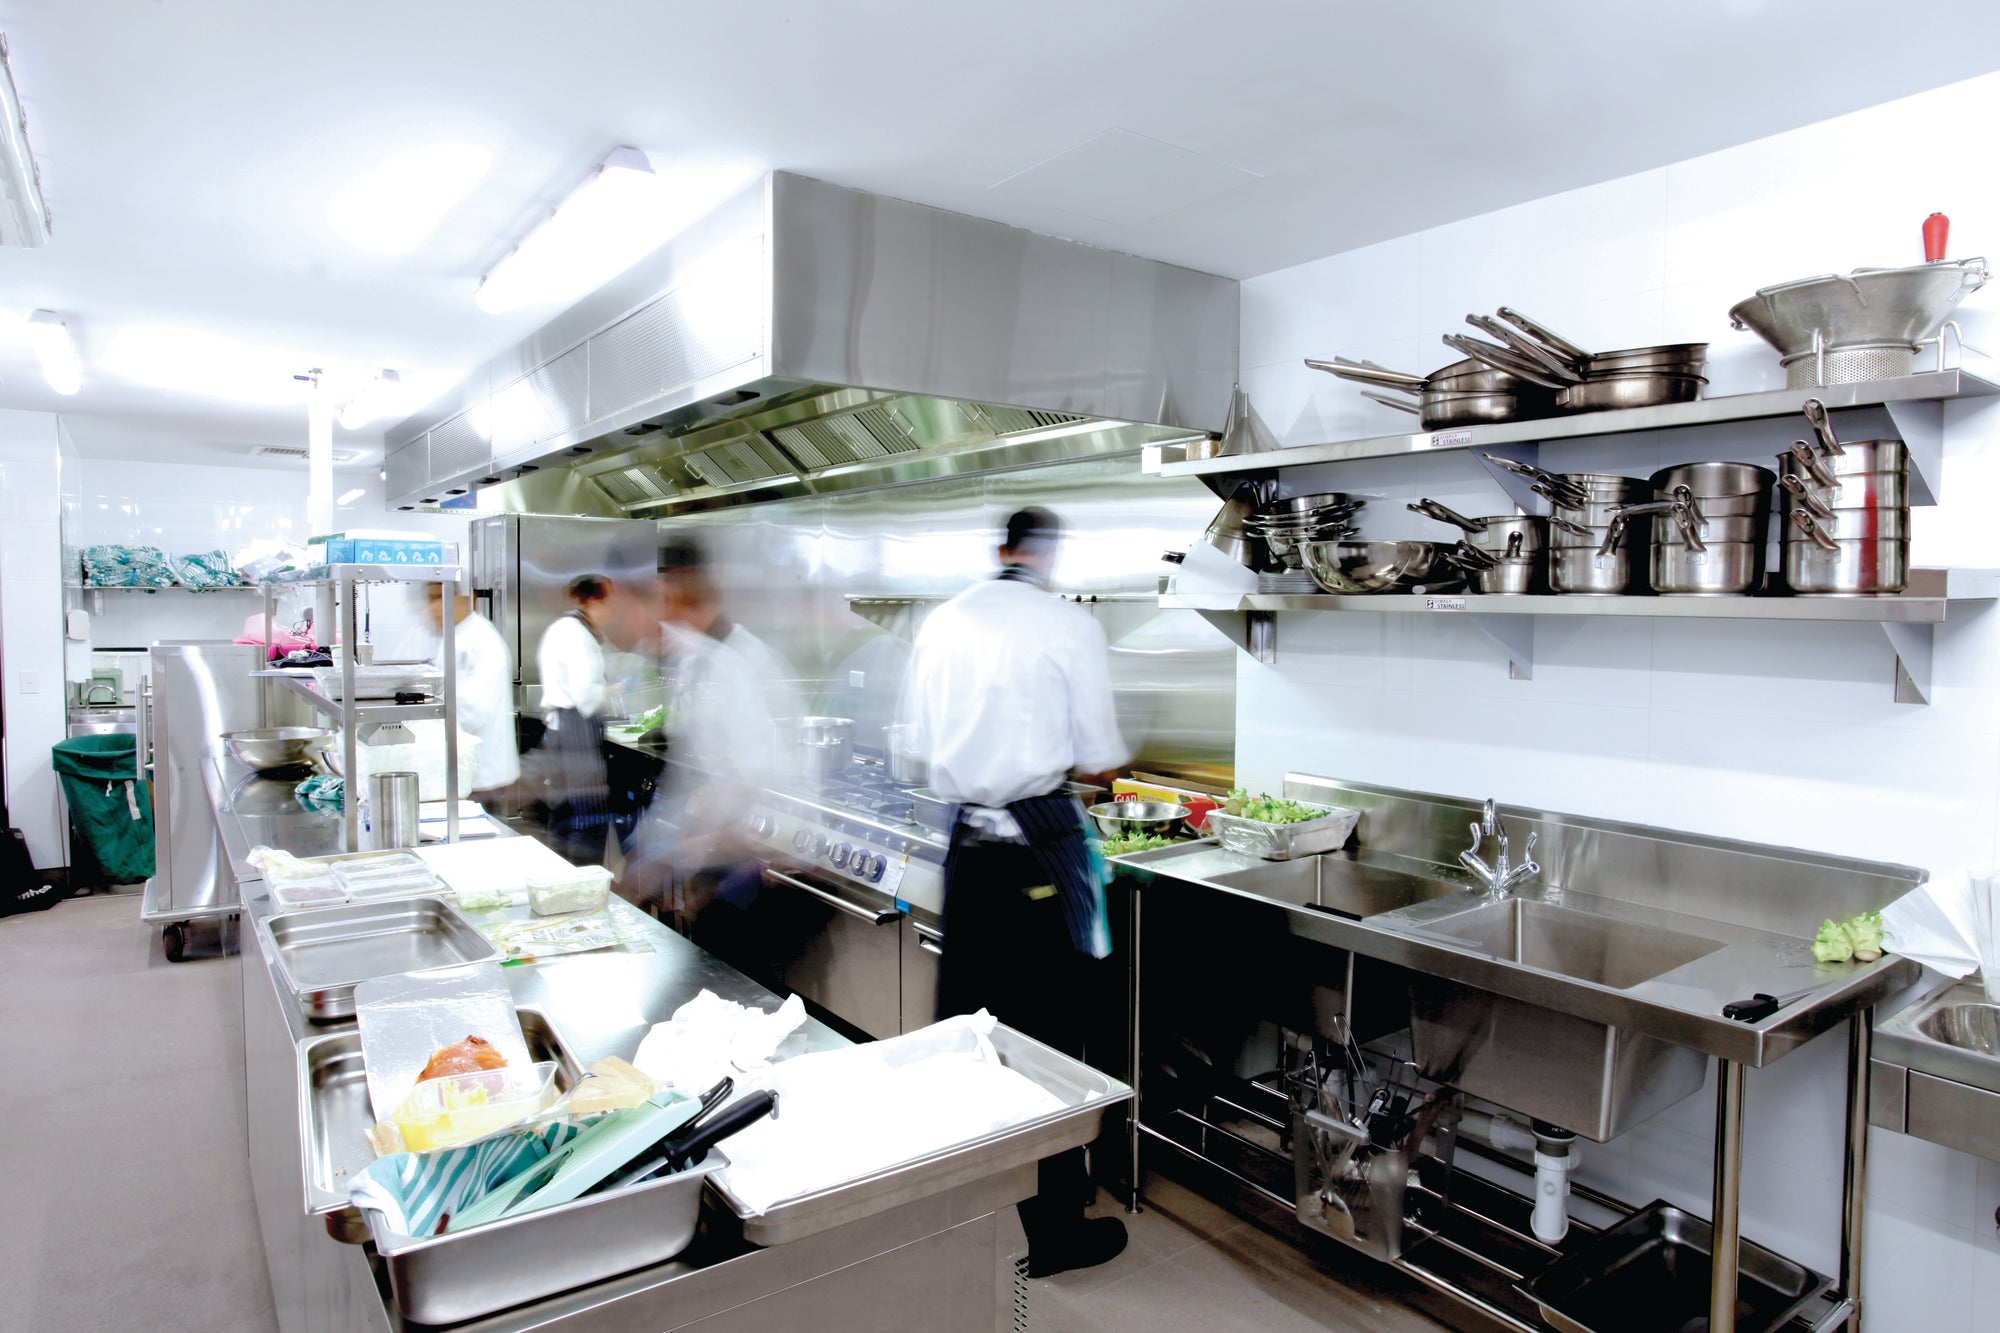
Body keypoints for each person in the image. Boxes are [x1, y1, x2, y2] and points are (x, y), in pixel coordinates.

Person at [898, 506, 1131, 1278]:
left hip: (968, 850)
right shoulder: (1066, 625)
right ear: (1047, 554)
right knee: (1053, 1040)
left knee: (969, 1028)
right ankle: (1056, 1228)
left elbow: (913, 749)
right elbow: (1099, 757)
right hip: (1040, 853)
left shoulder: (945, 620)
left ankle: (960, 1205)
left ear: (1001, 548)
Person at [533, 575, 612, 862]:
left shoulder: (559, 628)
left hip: (556, 733)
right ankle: (586, 891)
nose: (611, 613)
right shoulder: (579, 635)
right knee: (587, 819)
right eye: (609, 604)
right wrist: (608, 691)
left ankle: (560, 883)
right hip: (575, 732)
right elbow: (585, 696)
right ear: (594, 601)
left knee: (563, 817)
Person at [423, 580, 520, 805]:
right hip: (465, 771)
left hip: (482, 776)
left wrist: (426, 728)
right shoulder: (455, 635)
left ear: (463, 598)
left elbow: (474, 711)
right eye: (429, 600)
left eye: (438, 598)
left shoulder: (481, 640)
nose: (432, 608)